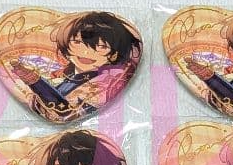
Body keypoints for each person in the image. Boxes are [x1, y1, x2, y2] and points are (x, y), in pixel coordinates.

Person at [8, 11, 142, 122]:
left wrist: (34, 81)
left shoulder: (106, 80)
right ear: (66, 46)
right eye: (77, 42)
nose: (86, 52)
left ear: (114, 54)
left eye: (101, 46)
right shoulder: (67, 77)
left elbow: (64, 111)